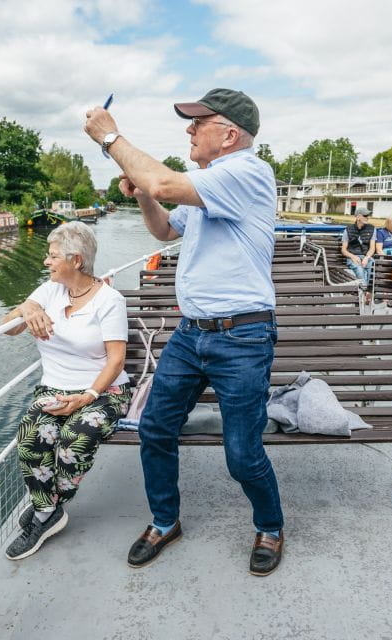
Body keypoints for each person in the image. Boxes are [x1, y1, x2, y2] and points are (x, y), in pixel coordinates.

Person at [84, 88, 285, 576]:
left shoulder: (246, 173)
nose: (189, 130)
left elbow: (165, 183)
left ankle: (271, 526)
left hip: (242, 338)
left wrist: (110, 137)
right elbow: (165, 230)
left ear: (230, 134)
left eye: (199, 122)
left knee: (242, 453)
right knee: (155, 427)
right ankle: (164, 520)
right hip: (192, 334)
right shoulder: (210, 183)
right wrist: (144, 196)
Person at [0, 221, 132, 560]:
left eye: (53, 256)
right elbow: (7, 330)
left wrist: (87, 396)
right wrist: (26, 308)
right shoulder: (49, 290)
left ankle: (45, 511)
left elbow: (116, 361)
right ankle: (48, 509)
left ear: (76, 260)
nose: (47, 261)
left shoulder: (110, 300)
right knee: (31, 435)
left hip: (103, 391)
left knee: (76, 437)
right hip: (54, 388)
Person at [341, 208, 376, 282]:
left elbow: (372, 248)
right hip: (353, 257)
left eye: (368, 215)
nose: (367, 217)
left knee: (372, 267)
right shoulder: (348, 230)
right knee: (359, 269)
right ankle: (365, 290)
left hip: (366, 256)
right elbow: (343, 250)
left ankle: (365, 290)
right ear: (358, 217)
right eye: (365, 215)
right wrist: (353, 257)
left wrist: (367, 258)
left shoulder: (372, 229)